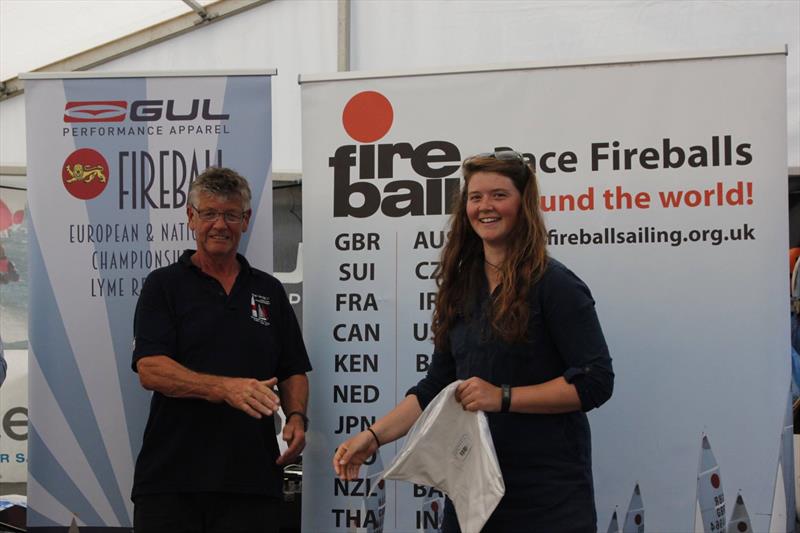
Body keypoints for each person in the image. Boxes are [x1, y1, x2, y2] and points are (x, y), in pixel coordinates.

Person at [333, 150, 614, 532]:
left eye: (499, 195)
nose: (485, 206)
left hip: (547, 497)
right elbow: (436, 386)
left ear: (523, 204)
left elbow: (596, 380)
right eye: (476, 196)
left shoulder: (555, 284)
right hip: (473, 493)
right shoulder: (461, 286)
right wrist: (373, 437)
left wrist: (503, 396)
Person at [131, 167, 312, 533]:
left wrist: (296, 418)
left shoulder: (270, 290)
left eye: (230, 215)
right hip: (172, 482)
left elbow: (293, 367)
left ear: (245, 221)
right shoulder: (163, 285)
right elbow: (150, 369)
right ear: (191, 218)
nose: (220, 225)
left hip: (254, 481)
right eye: (209, 213)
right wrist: (226, 389)